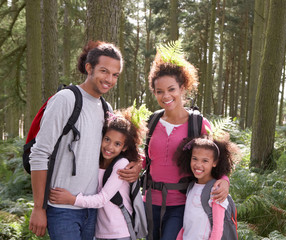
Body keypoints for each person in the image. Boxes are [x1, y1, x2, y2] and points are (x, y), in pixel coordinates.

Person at [29, 41, 140, 240]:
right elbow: (39, 154)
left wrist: (135, 166)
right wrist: (39, 207)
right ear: (89, 68)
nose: (109, 79)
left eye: (115, 75)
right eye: (104, 71)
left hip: (92, 210)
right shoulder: (65, 99)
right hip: (62, 209)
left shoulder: (106, 109)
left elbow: (111, 154)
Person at [118, 41, 230, 240]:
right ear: (154, 92)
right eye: (159, 91)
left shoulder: (199, 124)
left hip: (181, 204)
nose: (166, 96)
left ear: (182, 88)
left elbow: (218, 158)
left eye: (171, 89)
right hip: (149, 202)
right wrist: (137, 164)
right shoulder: (151, 122)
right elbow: (149, 156)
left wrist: (224, 181)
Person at [48, 108, 145, 240]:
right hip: (100, 232)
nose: (109, 147)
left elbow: (102, 199)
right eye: (107, 139)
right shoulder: (95, 161)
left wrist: (72, 200)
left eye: (117, 144)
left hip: (120, 232)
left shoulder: (121, 164)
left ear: (124, 147)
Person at [175, 135, 236, 240]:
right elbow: (187, 224)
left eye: (205, 161)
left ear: (215, 163)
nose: (198, 164)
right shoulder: (191, 188)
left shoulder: (216, 190)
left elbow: (218, 228)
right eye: (195, 159)